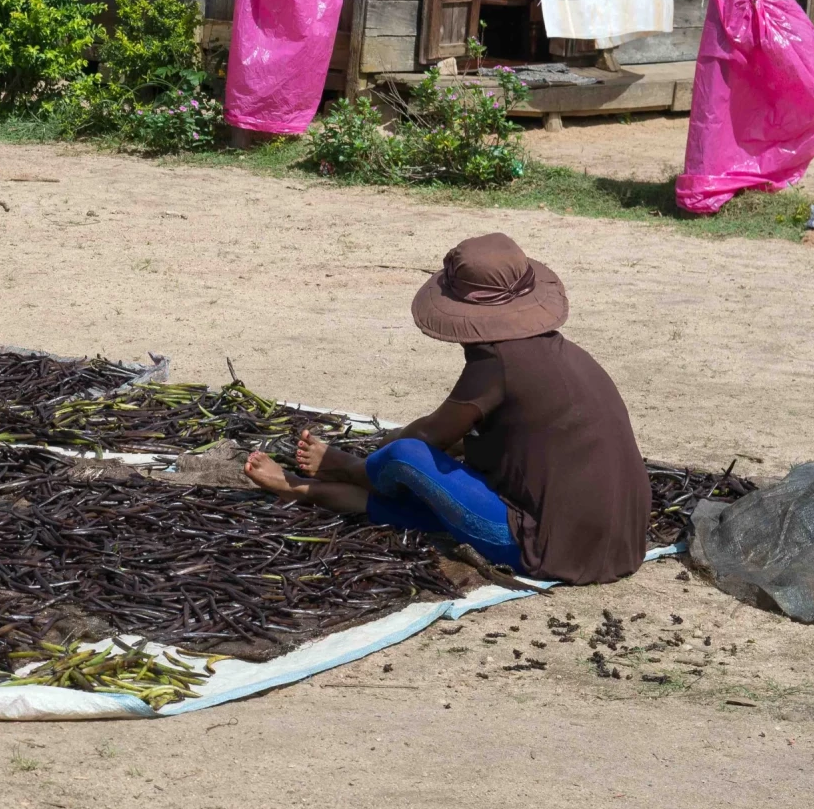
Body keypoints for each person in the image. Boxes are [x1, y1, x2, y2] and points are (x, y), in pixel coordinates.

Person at [242, 232, 651, 584]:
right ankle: (319, 490)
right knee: (439, 495)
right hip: (618, 546)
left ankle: (335, 474)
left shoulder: (497, 362)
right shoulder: (563, 353)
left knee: (406, 457)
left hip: (545, 547)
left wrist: (365, 457)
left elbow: (425, 439)